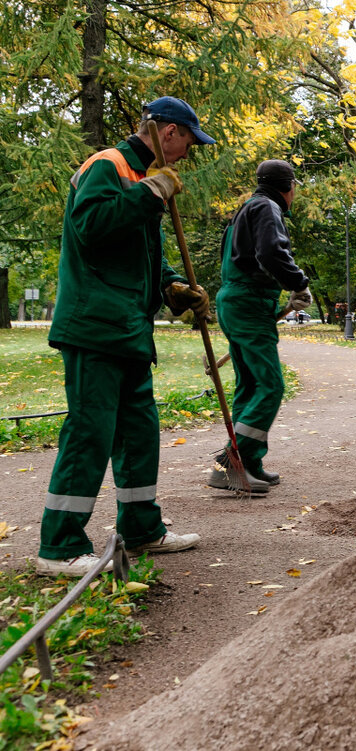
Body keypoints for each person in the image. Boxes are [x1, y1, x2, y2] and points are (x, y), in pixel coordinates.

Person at [36, 97, 213, 577]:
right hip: (95, 327)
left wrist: (173, 286)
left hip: (129, 329)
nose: (185, 153)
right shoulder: (108, 166)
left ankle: (140, 527)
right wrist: (149, 195)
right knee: (91, 432)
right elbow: (89, 229)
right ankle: (58, 546)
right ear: (167, 131)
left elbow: (138, 256)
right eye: (187, 142)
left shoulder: (141, 179)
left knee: (139, 433)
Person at [210, 159, 310, 493]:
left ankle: (249, 464)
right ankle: (231, 462)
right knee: (270, 385)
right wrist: (298, 283)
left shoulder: (245, 210)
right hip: (248, 304)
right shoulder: (268, 208)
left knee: (250, 385)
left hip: (234, 301)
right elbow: (271, 252)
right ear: (289, 186)